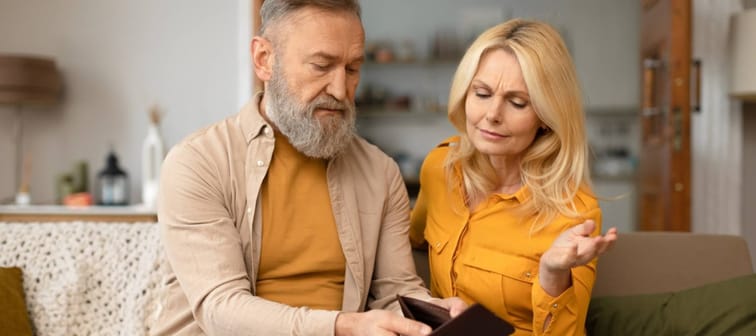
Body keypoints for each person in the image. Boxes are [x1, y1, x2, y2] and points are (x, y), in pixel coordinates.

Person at [154, 1, 465, 335]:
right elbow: (222, 311)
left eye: (352, 69)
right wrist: (342, 326)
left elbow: (396, 292)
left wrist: (430, 313)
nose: (340, 90)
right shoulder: (198, 162)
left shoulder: (381, 172)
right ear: (264, 60)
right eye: (321, 66)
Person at [409, 19, 618, 336]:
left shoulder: (574, 211)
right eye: (481, 93)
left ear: (546, 117)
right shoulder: (440, 167)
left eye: (517, 102)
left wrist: (552, 274)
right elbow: (411, 244)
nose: (492, 114)